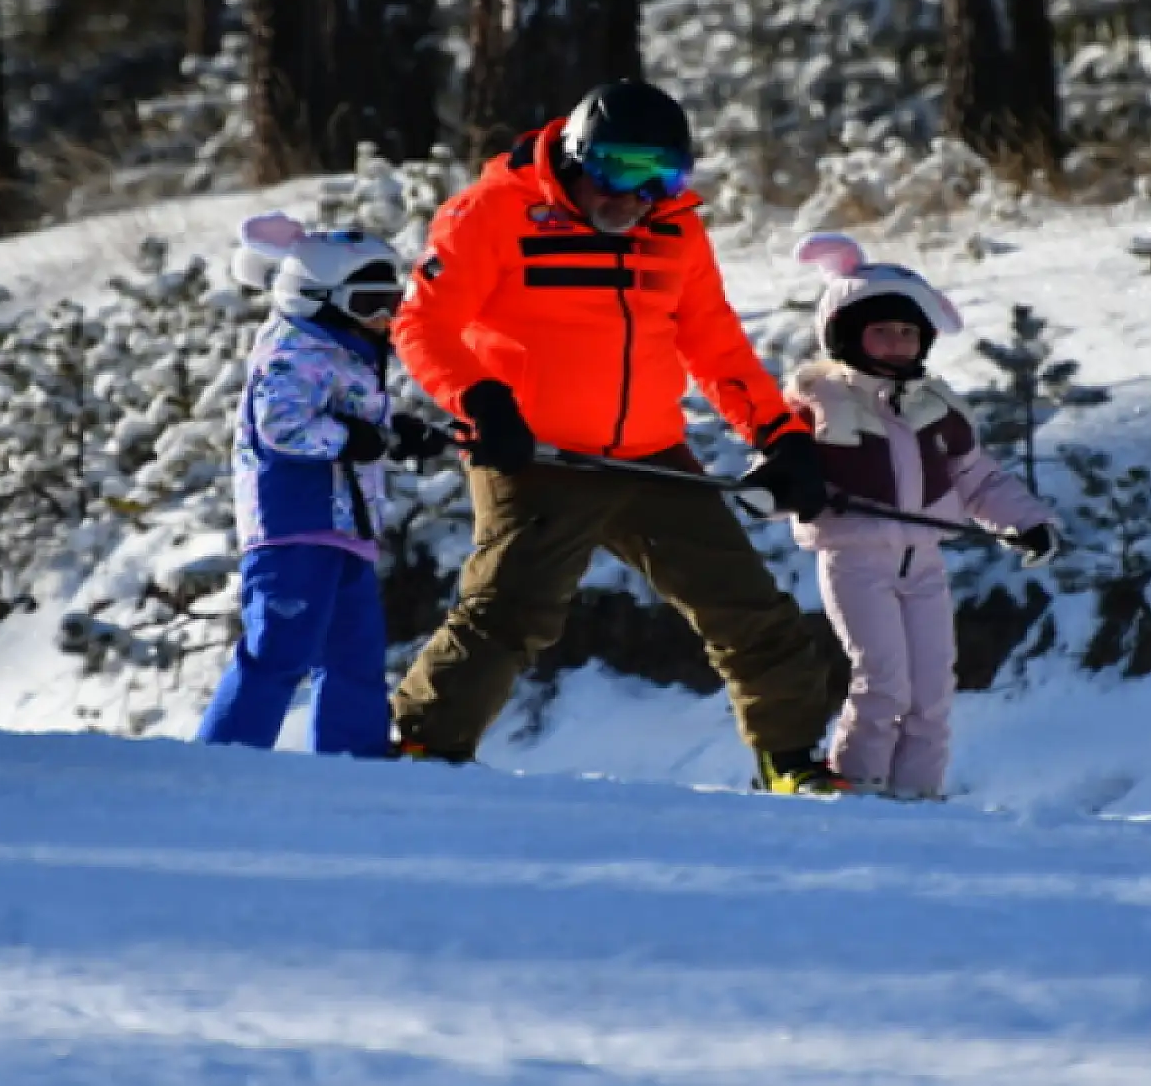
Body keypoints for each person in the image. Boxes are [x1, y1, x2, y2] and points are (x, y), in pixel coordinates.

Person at [389, 78, 848, 795]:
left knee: (749, 608)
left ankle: (789, 761)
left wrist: (778, 436)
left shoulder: (674, 228)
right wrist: (483, 401)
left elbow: (715, 346)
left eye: (660, 178)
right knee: (509, 611)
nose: (635, 196)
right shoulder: (491, 213)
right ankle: (422, 750)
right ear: (577, 157)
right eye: (618, 171)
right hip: (537, 451)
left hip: (648, 454)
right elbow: (423, 324)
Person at [784, 232, 1062, 800]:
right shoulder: (821, 402)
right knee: (883, 683)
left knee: (932, 691)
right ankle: (858, 788)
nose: (895, 343)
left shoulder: (936, 408)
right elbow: (778, 466)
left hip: (925, 563)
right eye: (881, 330)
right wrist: (785, 490)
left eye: (908, 332)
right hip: (856, 559)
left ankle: (918, 798)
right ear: (843, 332)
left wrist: (1026, 522)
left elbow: (976, 478)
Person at [197, 212, 450, 757]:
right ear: (315, 297)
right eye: (367, 303)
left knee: (355, 654)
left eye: (392, 300)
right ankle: (223, 754)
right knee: (279, 649)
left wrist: (397, 433)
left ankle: (352, 756)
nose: (383, 317)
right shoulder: (293, 350)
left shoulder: (346, 351)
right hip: (294, 525)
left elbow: (349, 423)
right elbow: (283, 426)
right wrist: (355, 439)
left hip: (343, 528)